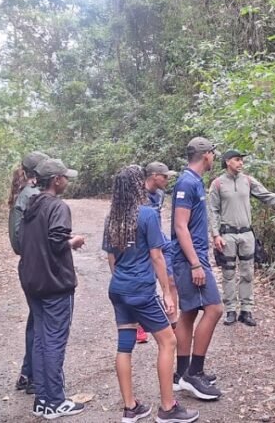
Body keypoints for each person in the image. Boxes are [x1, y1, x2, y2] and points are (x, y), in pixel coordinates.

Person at [103, 166, 199, 423]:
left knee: (125, 345)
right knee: (168, 341)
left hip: (119, 289)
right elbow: (157, 256)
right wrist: (167, 292)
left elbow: (111, 258)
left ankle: (130, 407)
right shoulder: (146, 215)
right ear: (137, 185)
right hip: (141, 291)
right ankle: (168, 408)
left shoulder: (112, 218)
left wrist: (121, 280)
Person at [19, 158, 86, 419]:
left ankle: (42, 400)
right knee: (54, 341)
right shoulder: (58, 206)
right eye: (65, 177)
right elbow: (57, 240)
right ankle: (55, 401)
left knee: (41, 340)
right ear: (56, 180)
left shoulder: (31, 204)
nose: (67, 181)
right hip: (55, 285)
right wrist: (74, 241)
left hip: (33, 282)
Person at [208, 150, 275, 327]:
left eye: (241, 161)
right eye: (237, 160)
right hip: (227, 234)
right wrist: (216, 235)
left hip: (247, 234)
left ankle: (246, 310)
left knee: (247, 272)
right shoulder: (217, 184)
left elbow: (266, 196)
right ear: (228, 162)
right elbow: (213, 211)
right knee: (228, 273)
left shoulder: (247, 180)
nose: (241, 163)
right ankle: (230, 310)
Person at [168, 137, 223, 401]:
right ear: (205, 155)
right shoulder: (187, 182)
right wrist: (195, 264)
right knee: (214, 309)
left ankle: (180, 374)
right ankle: (194, 373)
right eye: (213, 153)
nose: (214, 157)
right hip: (190, 260)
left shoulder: (193, 181)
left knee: (188, 313)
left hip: (192, 257)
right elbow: (180, 225)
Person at [7, 151, 49, 394]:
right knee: (42, 322)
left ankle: (28, 372)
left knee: (36, 320)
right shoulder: (33, 196)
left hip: (27, 263)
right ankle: (36, 378)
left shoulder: (23, 193)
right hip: (36, 265)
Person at [132, 161, 176, 345]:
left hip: (160, 241)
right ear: (154, 176)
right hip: (143, 244)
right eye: (164, 176)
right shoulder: (136, 196)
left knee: (171, 279)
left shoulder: (159, 194)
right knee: (144, 286)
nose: (167, 180)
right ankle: (139, 326)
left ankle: (173, 321)